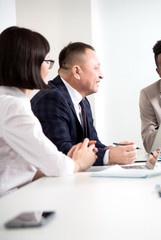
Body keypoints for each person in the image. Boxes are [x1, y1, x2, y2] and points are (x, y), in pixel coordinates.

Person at [0, 26, 97, 197]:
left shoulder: (10, 101)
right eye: (47, 61)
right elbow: (55, 164)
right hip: (12, 205)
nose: (48, 68)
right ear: (29, 63)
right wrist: (79, 163)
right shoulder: (13, 106)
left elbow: (22, 169)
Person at [31, 42, 137, 166]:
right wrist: (109, 156)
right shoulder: (51, 98)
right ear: (76, 71)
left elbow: (93, 143)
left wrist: (112, 150)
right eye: (96, 68)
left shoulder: (82, 100)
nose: (101, 75)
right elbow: (60, 152)